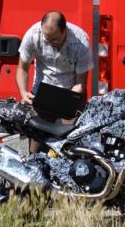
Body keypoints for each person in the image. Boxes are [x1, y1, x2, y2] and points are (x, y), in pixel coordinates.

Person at [16, 10, 93, 150]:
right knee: (36, 147)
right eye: (47, 39)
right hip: (42, 94)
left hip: (69, 96)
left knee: (66, 147)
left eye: (55, 39)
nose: (50, 42)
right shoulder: (33, 35)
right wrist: (23, 92)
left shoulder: (81, 41)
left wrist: (73, 97)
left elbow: (81, 82)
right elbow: (22, 68)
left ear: (65, 30)